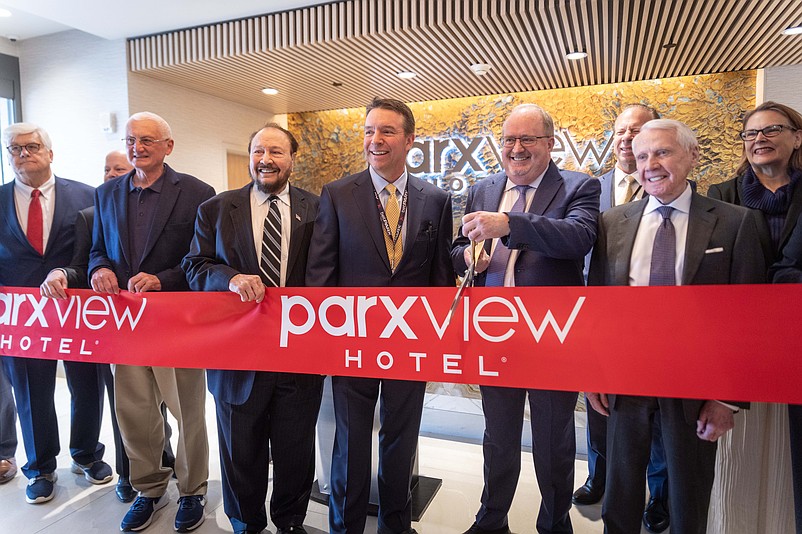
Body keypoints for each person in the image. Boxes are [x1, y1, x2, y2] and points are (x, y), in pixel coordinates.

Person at [587, 119, 766, 534]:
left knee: (688, 497)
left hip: (696, 384)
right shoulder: (612, 222)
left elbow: (749, 318)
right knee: (620, 494)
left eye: (662, 152)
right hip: (626, 380)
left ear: (692, 155)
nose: (650, 165)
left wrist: (727, 399)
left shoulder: (735, 222)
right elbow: (599, 306)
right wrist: (593, 373)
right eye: (642, 156)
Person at [306, 97, 453, 534]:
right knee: (351, 442)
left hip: (411, 341)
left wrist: (438, 342)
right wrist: (323, 342)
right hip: (352, 341)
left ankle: (396, 525)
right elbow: (320, 275)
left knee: (401, 440)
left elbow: (440, 277)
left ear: (409, 139)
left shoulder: (435, 199)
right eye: (369, 131)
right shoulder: (337, 194)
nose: (375, 140)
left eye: (387, 131)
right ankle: (345, 527)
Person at [453, 103, 600, 534]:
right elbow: (457, 247)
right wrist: (467, 258)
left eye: (527, 139)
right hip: (494, 332)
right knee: (498, 437)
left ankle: (554, 523)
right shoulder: (483, 188)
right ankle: (491, 519)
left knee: (554, 440)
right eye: (508, 140)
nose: (516, 148)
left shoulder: (579, 186)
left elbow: (578, 238)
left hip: (551, 335)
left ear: (550, 143)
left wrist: (509, 224)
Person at [183, 123, 324, 534]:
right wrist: (229, 278)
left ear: (292, 159)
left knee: (295, 449)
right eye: (258, 151)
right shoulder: (215, 208)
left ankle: (290, 521)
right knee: (240, 450)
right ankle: (246, 522)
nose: (266, 159)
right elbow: (195, 266)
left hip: (298, 355)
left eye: (276, 152)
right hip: (236, 358)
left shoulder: (318, 209)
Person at [89, 112, 215, 532]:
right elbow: (97, 248)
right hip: (124, 326)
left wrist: (164, 279)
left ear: (168, 146)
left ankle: (193, 490)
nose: (137, 147)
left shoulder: (197, 193)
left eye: (146, 140)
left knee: (187, 412)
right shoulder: (107, 193)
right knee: (135, 414)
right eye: (130, 140)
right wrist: (98, 268)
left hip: (175, 323)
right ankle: (149, 488)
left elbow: (202, 258)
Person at [39, 149, 176, 504]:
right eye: (107, 169)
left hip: (157, 322)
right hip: (109, 327)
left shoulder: (162, 207)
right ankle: (129, 473)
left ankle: (163, 453)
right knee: (123, 405)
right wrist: (74, 272)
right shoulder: (90, 215)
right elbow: (82, 265)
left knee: (158, 400)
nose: (113, 174)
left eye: (120, 168)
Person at [0, 122, 112, 504]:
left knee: (87, 386)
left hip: (78, 311)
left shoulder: (88, 195)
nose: (23, 154)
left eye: (32, 146)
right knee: (31, 393)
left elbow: (98, 250)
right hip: (22, 318)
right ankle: (40, 467)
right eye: (15, 148)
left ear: (50, 153)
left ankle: (86, 454)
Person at [575, 103, 671, 534]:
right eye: (621, 131)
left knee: (657, 414)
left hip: (657, 324)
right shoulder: (591, 189)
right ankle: (598, 477)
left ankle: (658, 494)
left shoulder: (670, 185)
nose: (628, 139)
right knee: (599, 405)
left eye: (638, 131)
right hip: (601, 317)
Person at [707, 100, 802, 533]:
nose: (759, 139)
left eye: (772, 130)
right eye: (751, 133)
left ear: (797, 138)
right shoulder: (721, 196)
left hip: (796, 337)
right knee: (740, 453)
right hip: (742, 342)